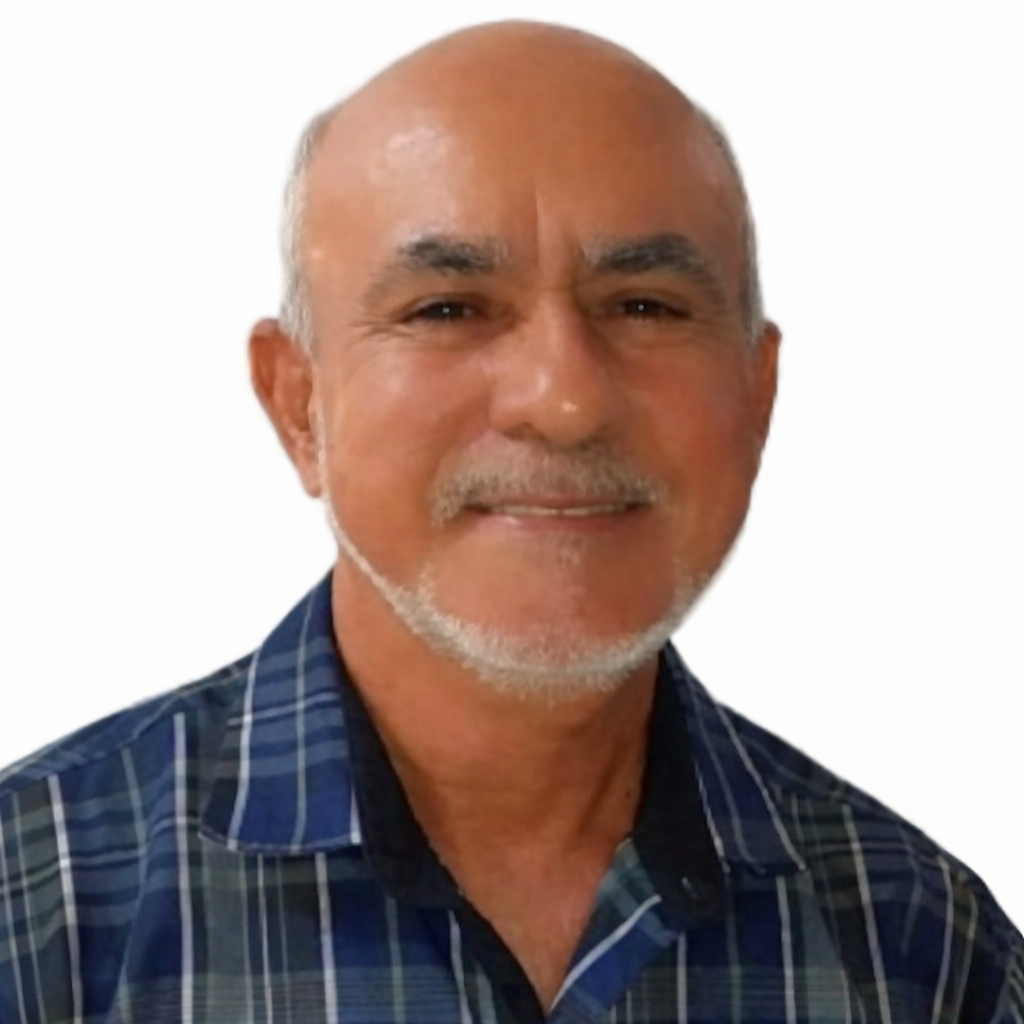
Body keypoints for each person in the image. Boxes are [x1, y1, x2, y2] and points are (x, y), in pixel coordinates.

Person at [0, 20, 1020, 1024]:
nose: (563, 398)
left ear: (758, 398)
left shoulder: (921, 949)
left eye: (645, 305)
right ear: (298, 403)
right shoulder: (33, 910)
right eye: (448, 307)